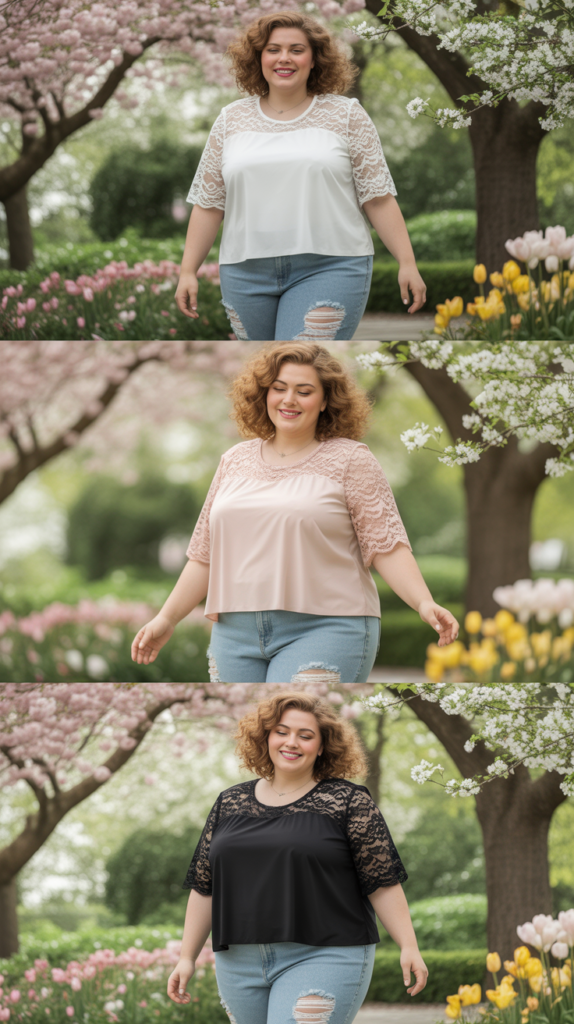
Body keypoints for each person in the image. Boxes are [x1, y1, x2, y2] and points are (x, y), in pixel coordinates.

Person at [131, 342, 459, 683]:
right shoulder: (234, 460)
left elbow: (386, 545)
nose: (289, 400)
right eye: (279, 388)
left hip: (328, 627)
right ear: (264, 394)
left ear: (325, 400)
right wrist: (166, 618)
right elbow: (204, 555)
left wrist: (424, 603)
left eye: (304, 391)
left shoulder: (352, 460)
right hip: (233, 633)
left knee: (298, 713)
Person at [167, 690, 429, 1024]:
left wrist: (409, 945)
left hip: (325, 953)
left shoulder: (349, 801)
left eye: (305, 736)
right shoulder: (229, 802)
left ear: (321, 746)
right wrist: (186, 957)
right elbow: (205, 886)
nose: (291, 742)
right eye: (282, 732)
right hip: (238, 961)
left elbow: (382, 882)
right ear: (266, 737)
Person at [174, 10, 427, 341]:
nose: (284, 58)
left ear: (314, 59)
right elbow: (209, 204)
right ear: (259, 58)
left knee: (302, 359)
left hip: (332, 266)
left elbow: (377, 197)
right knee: (263, 368)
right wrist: (187, 271)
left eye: (297, 49)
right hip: (244, 273)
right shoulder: (230, 119)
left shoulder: (346, 114)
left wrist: (406, 262)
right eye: (273, 49)